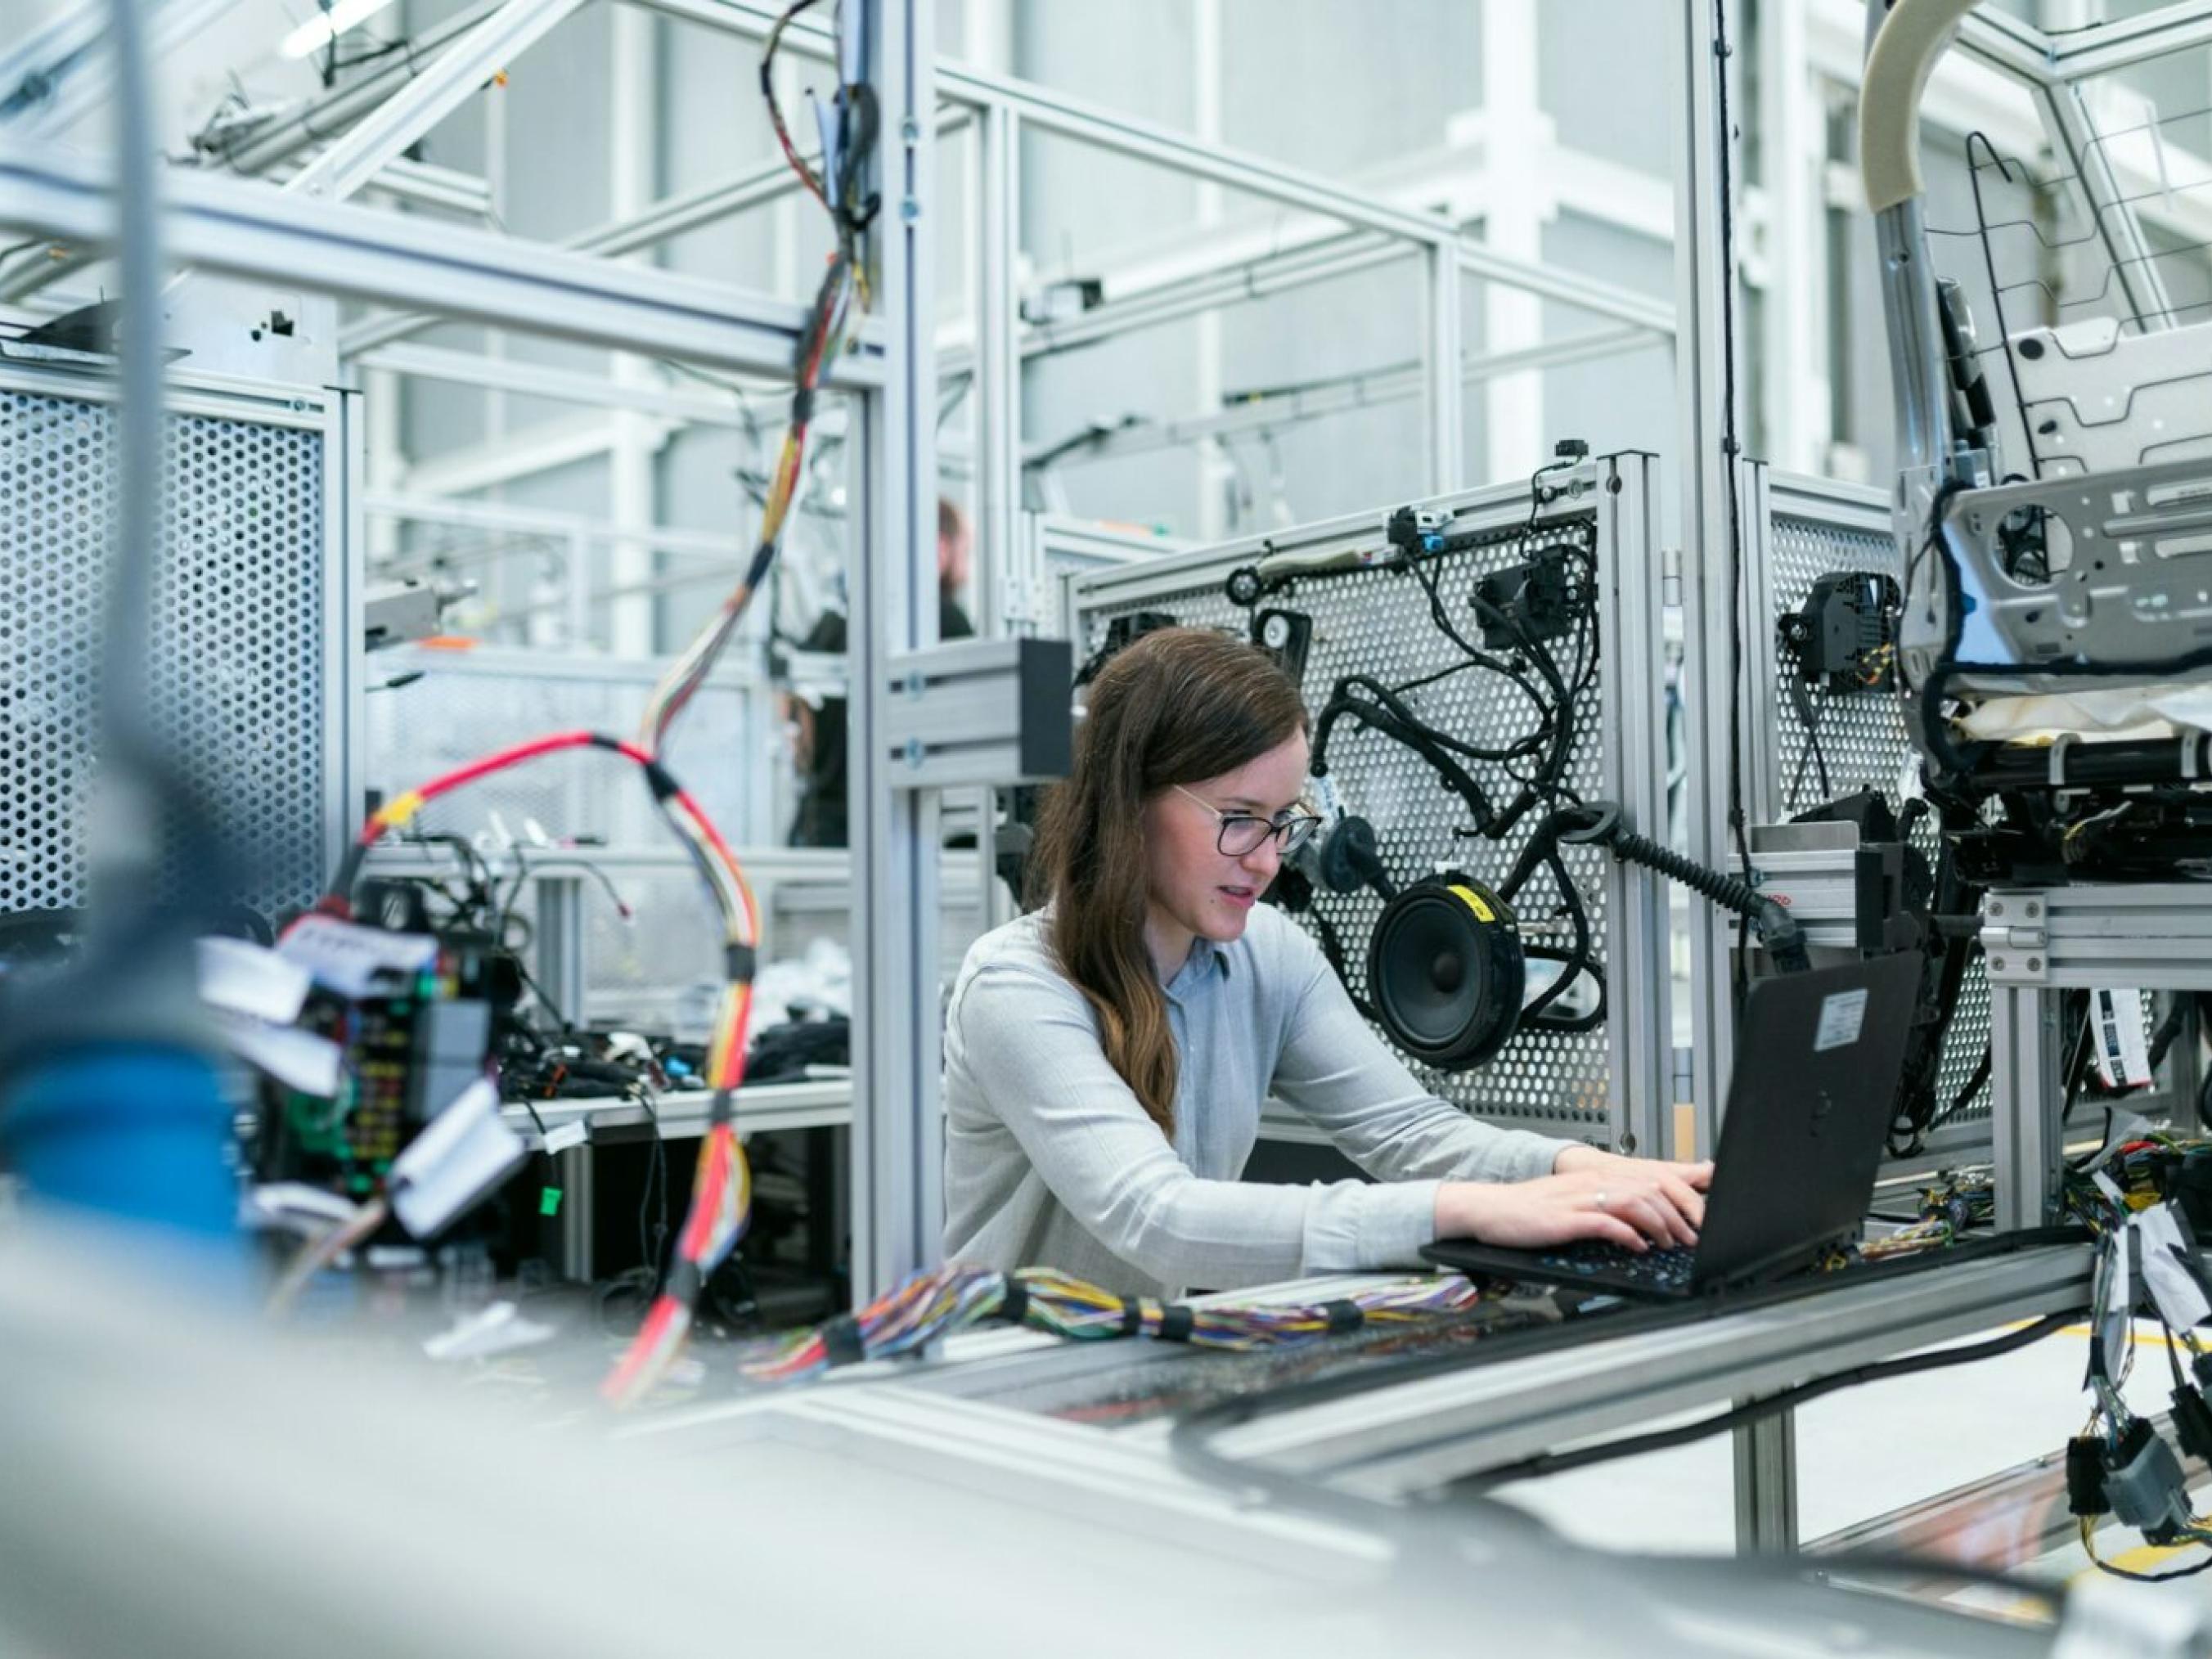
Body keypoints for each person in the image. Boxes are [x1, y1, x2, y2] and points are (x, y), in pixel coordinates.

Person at [942, 626, 1711, 1297]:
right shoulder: (1018, 985)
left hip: (1140, 1366)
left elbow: (1413, 1134)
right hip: (1006, 1397)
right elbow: (1159, 1218)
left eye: (1283, 822)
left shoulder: (1267, 955)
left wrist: (1585, 1172)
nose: (1269, 861)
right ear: (1128, 801)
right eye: (1239, 820)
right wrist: (1464, 1211)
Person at [787, 497, 975, 848]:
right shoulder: (944, 618)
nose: (967, 566)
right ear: (939, 549)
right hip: (899, 833)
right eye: (967, 551)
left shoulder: (831, 623)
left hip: (821, 830)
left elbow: (797, 727)